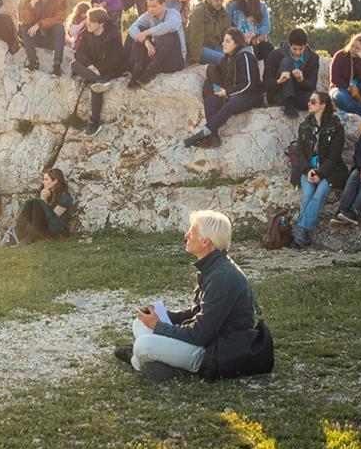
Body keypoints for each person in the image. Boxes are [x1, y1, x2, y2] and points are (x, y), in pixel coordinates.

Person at [115, 210, 267, 382]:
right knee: (140, 323)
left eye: (192, 231)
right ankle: (155, 360)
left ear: (205, 241)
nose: (186, 234)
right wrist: (163, 316)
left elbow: (199, 334)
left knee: (144, 345)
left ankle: (141, 360)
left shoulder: (222, 277)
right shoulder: (213, 267)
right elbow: (197, 312)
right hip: (207, 339)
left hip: (214, 351)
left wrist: (159, 326)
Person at [185, 29, 262, 148]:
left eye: (227, 41)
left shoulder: (245, 56)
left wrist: (228, 93)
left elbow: (248, 84)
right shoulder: (228, 59)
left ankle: (204, 132)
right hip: (235, 94)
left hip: (251, 95)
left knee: (232, 103)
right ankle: (214, 138)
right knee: (210, 101)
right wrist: (221, 90)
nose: (223, 44)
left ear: (236, 43)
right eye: (223, 41)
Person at [289, 91, 347, 248]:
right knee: (307, 194)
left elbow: (334, 157)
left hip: (330, 171)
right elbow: (300, 153)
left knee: (320, 192)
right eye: (309, 101)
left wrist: (320, 174)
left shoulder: (336, 127)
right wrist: (308, 170)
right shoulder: (305, 126)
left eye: (313, 101)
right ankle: (303, 235)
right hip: (307, 169)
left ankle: (300, 230)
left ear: (323, 105)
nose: (309, 103)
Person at [72, 7, 128, 137]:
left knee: (95, 88)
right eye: (88, 20)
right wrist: (90, 65)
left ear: (101, 23)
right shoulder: (86, 34)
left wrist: (99, 69)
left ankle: (94, 122)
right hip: (94, 69)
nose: (88, 23)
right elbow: (79, 54)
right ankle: (99, 80)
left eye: (92, 21)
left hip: (110, 70)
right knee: (74, 65)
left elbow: (117, 59)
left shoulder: (113, 35)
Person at [124, 0, 187, 87]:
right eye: (149, 6)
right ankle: (137, 69)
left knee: (169, 34)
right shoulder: (149, 15)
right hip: (159, 59)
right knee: (139, 30)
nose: (151, 9)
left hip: (175, 60)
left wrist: (147, 32)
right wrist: (146, 42)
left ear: (164, 4)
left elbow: (172, 26)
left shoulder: (173, 13)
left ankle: (150, 71)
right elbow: (132, 28)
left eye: (154, 6)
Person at [7, 168, 74, 246]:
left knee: (38, 202)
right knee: (30, 203)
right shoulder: (50, 194)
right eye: (43, 179)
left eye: (46, 179)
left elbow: (54, 220)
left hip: (56, 230)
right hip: (46, 226)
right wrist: (43, 201)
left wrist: (43, 201)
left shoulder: (65, 198)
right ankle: (17, 232)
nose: (43, 182)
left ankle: (32, 235)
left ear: (55, 181)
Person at [267, 28, 318, 115]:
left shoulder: (313, 58)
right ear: (289, 45)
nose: (297, 52)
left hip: (299, 93)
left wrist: (301, 80)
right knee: (287, 62)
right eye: (294, 49)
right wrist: (279, 81)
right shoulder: (275, 55)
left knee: (318, 103)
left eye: (301, 49)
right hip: (280, 92)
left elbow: (312, 84)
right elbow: (267, 81)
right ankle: (289, 103)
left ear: (305, 46)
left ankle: (291, 102)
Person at [226, 0, 274, 66]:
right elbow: (226, 26)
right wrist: (240, 35)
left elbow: (266, 27)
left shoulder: (261, 6)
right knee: (247, 50)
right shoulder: (232, 6)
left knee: (268, 47)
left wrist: (254, 34)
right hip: (238, 42)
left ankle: (268, 77)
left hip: (254, 40)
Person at [185, 0, 228, 66]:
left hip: (216, 47)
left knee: (233, 58)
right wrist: (195, 60)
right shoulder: (199, 12)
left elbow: (227, 33)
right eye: (216, 0)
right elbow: (196, 38)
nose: (219, 2)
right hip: (200, 48)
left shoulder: (224, 14)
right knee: (223, 59)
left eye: (221, 0)